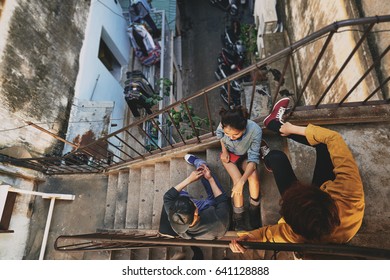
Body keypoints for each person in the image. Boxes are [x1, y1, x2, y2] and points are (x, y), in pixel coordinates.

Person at [230, 98, 365, 253]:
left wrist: (251, 237)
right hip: (334, 198)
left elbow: (268, 235)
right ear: (324, 195)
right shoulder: (350, 193)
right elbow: (333, 138)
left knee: (275, 157)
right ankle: (275, 124)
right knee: (321, 145)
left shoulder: (295, 235)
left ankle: (268, 155)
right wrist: (291, 128)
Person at [216, 106, 262, 231]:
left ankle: (254, 208)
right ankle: (238, 216)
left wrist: (243, 181)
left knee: (253, 176)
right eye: (228, 134)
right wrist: (224, 150)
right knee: (236, 182)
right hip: (229, 156)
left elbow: (253, 160)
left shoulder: (255, 131)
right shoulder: (224, 123)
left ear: (244, 128)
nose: (231, 137)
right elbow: (220, 135)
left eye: (235, 134)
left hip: (246, 155)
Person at [162, 154, 230, 240]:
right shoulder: (219, 222)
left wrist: (190, 179)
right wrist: (210, 179)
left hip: (196, 216)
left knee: (177, 194)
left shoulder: (176, 222)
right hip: (212, 209)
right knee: (206, 171)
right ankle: (200, 163)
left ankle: (200, 167)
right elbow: (222, 200)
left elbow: (168, 196)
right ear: (196, 211)